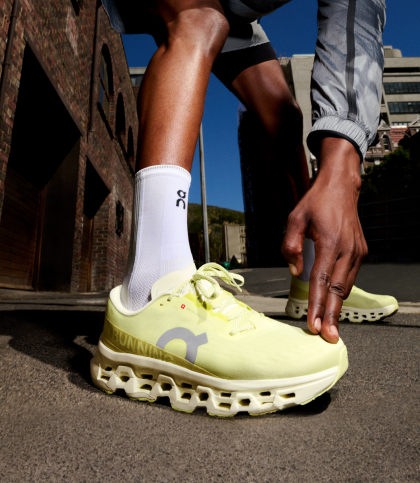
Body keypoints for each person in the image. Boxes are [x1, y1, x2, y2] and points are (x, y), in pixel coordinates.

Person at [90, 0, 386, 416]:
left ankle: (311, 277)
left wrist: (343, 165)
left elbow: (354, 18)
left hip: (238, 12)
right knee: (197, 21)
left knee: (284, 116)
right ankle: (151, 289)